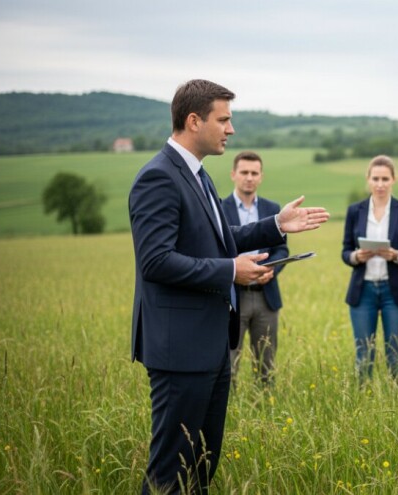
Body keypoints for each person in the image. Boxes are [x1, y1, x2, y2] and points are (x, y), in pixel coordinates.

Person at [128, 79, 329, 494]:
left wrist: (276, 225)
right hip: (180, 349)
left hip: (211, 344)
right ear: (194, 121)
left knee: (201, 465)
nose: (231, 129)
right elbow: (156, 261)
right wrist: (229, 272)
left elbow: (220, 240)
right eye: (223, 120)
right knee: (169, 471)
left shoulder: (198, 176)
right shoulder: (159, 177)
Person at [341, 155, 398, 381]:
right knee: (363, 355)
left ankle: (397, 396)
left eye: (385, 179)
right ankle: (362, 398)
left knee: (395, 354)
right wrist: (356, 256)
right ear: (368, 179)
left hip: (394, 291)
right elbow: (345, 251)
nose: (380, 184)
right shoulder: (355, 211)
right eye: (375, 178)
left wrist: (396, 255)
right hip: (363, 290)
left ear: (394, 179)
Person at [221, 151, 287, 388]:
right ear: (233, 174)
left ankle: (266, 404)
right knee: (228, 364)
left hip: (265, 296)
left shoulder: (273, 209)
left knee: (266, 365)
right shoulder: (219, 209)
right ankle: (229, 406)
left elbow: (282, 250)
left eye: (254, 173)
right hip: (232, 297)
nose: (249, 177)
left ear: (261, 177)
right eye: (244, 172)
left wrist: (271, 271)